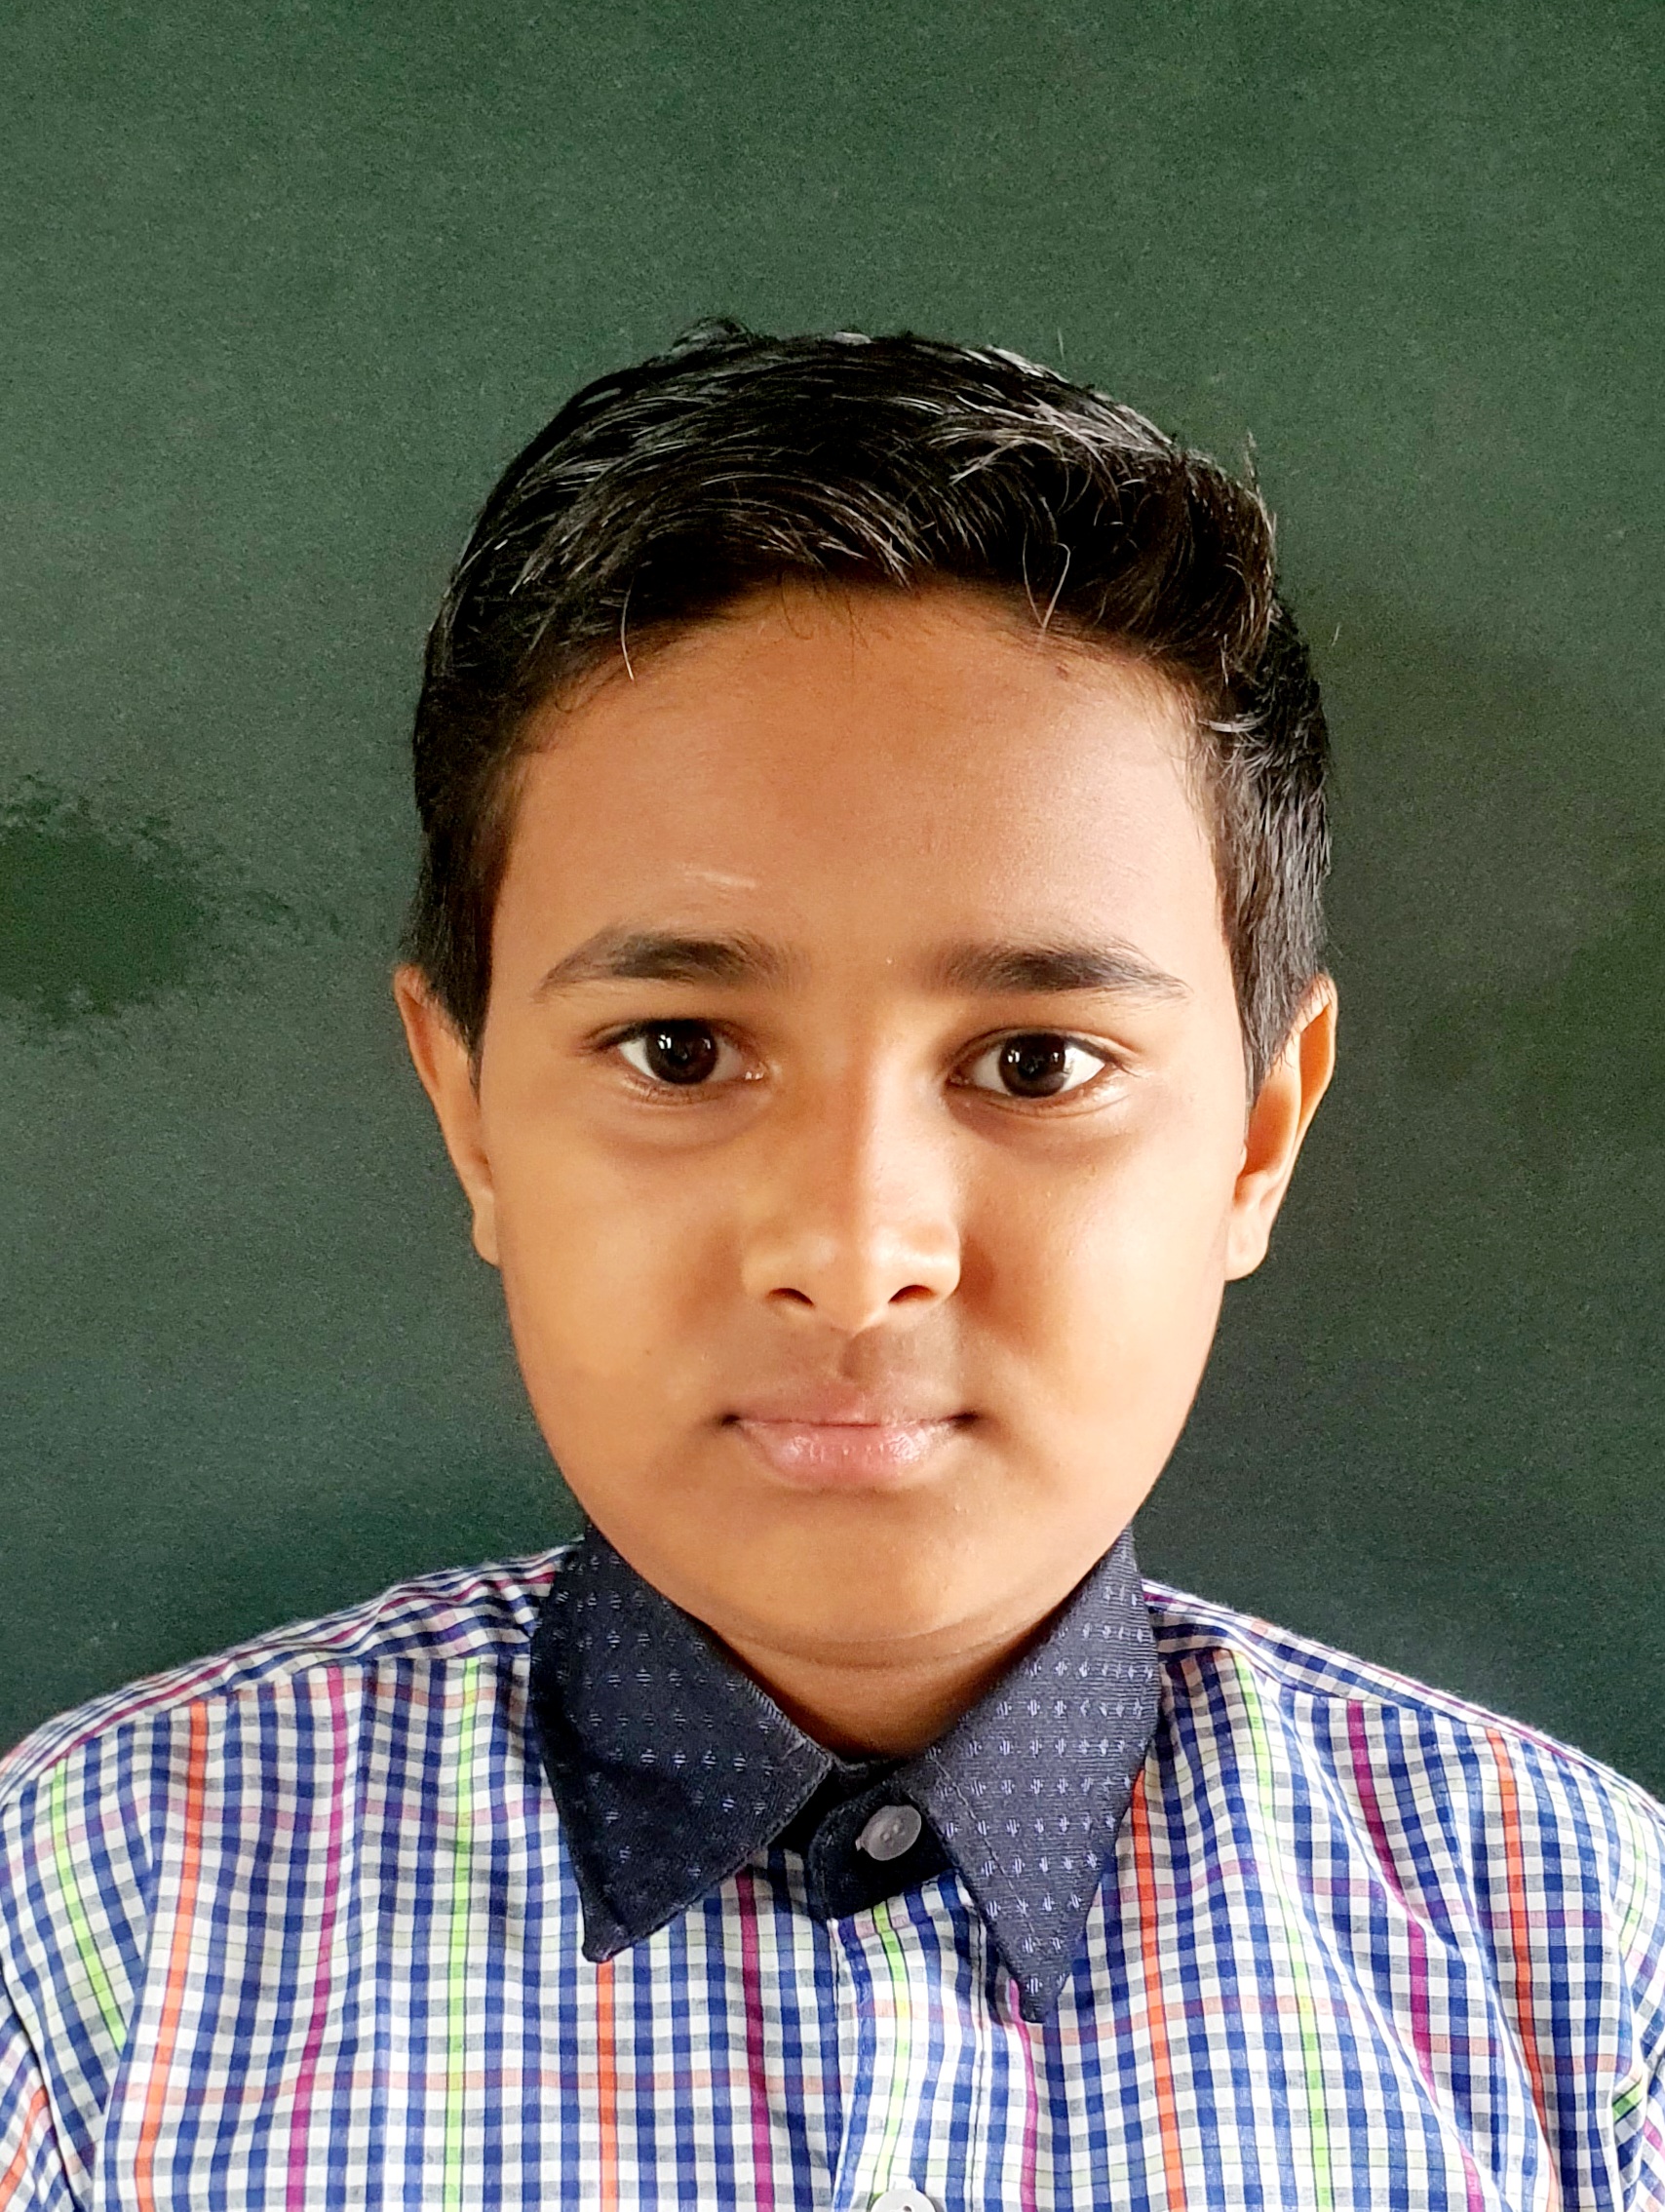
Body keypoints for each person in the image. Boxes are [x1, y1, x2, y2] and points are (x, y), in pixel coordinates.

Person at [2, 326, 1661, 2212]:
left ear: (1259, 1137)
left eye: (1035, 1064)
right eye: (680, 1049)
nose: (858, 1257)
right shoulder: (89, 1941)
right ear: (470, 1115)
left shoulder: (1588, 1976)